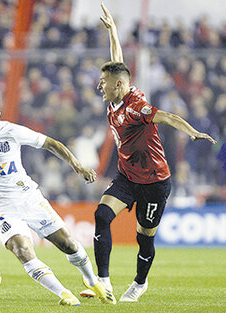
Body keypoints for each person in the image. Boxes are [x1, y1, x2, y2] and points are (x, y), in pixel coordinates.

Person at [80, 4, 217, 302]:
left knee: (145, 237)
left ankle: (140, 283)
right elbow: (117, 64)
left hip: (154, 181)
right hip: (127, 175)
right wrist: (113, 31)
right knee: (102, 215)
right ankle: (103, 282)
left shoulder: (135, 107)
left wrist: (191, 131)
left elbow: (166, 116)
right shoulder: (117, 93)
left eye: (103, 82)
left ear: (118, 86)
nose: (99, 85)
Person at [0, 96, 116, 306]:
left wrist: (78, 166)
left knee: (68, 244)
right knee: (21, 249)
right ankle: (64, 294)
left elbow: (51, 144)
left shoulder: (11, 131)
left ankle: (92, 281)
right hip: (0, 208)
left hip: (28, 198)